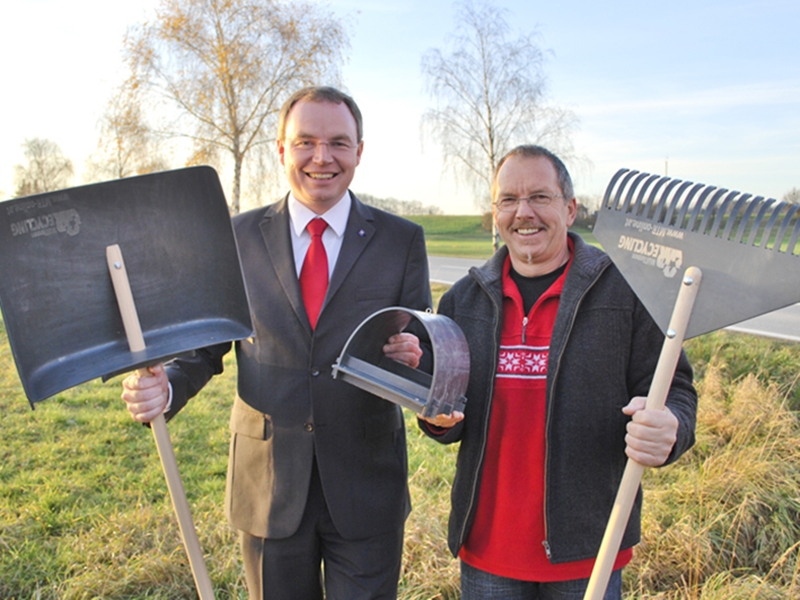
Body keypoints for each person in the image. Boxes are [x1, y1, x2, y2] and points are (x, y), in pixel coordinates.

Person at [120, 86, 432, 600]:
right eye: (305, 141)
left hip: (366, 483)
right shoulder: (235, 238)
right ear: (282, 150)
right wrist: (168, 389)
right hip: (266, 483)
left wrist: (417, 363)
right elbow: (204, 348)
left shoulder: (401, 241)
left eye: (338, 142)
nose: (322, 157)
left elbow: (420, 345)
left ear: (359, 151)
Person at [419, 145, 697, 599]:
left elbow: (676, 389)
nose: (523, 212)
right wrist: (436, 418)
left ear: (570, 208)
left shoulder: (626, 294)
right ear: (495, 214)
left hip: (589, 549)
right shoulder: (463, 301)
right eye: (508, 200)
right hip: (488, 550)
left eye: (540, 197)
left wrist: (673, 428)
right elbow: (445, 414)